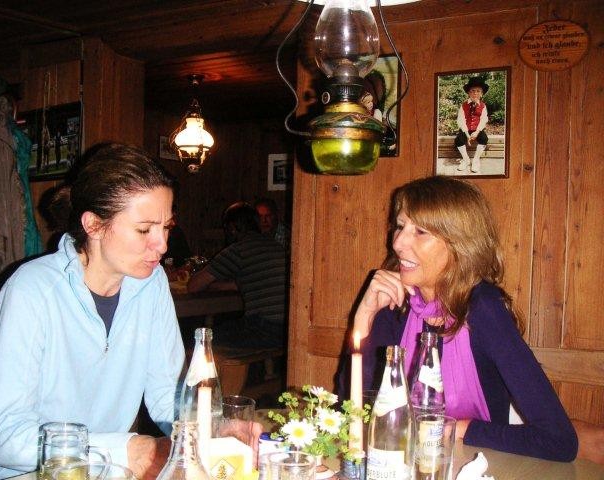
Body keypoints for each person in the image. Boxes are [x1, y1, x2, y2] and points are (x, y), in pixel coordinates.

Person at [0, 143, 184, 480]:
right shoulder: (30, 290)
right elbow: (6, 439)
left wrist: (214, 426)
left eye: (166, 227)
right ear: (94, 225)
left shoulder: (152, 283)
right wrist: (122, 449)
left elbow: (166, 396)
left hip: (107, 472)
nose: (162, 245)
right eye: (144, 229)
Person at [341, 175, 578, 462]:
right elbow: (352, 414)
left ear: (460, 245)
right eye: (400, 227)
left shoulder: (483, 308)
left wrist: (459, 428)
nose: (399, 243)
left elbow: (558, 440)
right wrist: (364, 317)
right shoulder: (396, 303)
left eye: (421, 232)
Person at [187, 202, 287, 349]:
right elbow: (244, 283)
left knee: (200, 339)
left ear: (232, 228)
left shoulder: (238, 250)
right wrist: (215, 285)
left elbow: (193, 286)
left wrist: (210, 284)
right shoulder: (276, 247)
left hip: (265, 328)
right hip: (287, 328)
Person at [455, 77, 490, 174]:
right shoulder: (463, 105)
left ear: (482, 93)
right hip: (466, 129)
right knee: (458, 140)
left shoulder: (483, 106)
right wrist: (467, 135)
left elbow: (483, 120)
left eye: (478, 91)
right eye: (473, 91)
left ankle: (476, 160)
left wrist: (477, 132)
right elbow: (461, 120)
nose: (475, 93)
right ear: (468, 93)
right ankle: (466, 160)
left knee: (484, 138)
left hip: (477, 129)